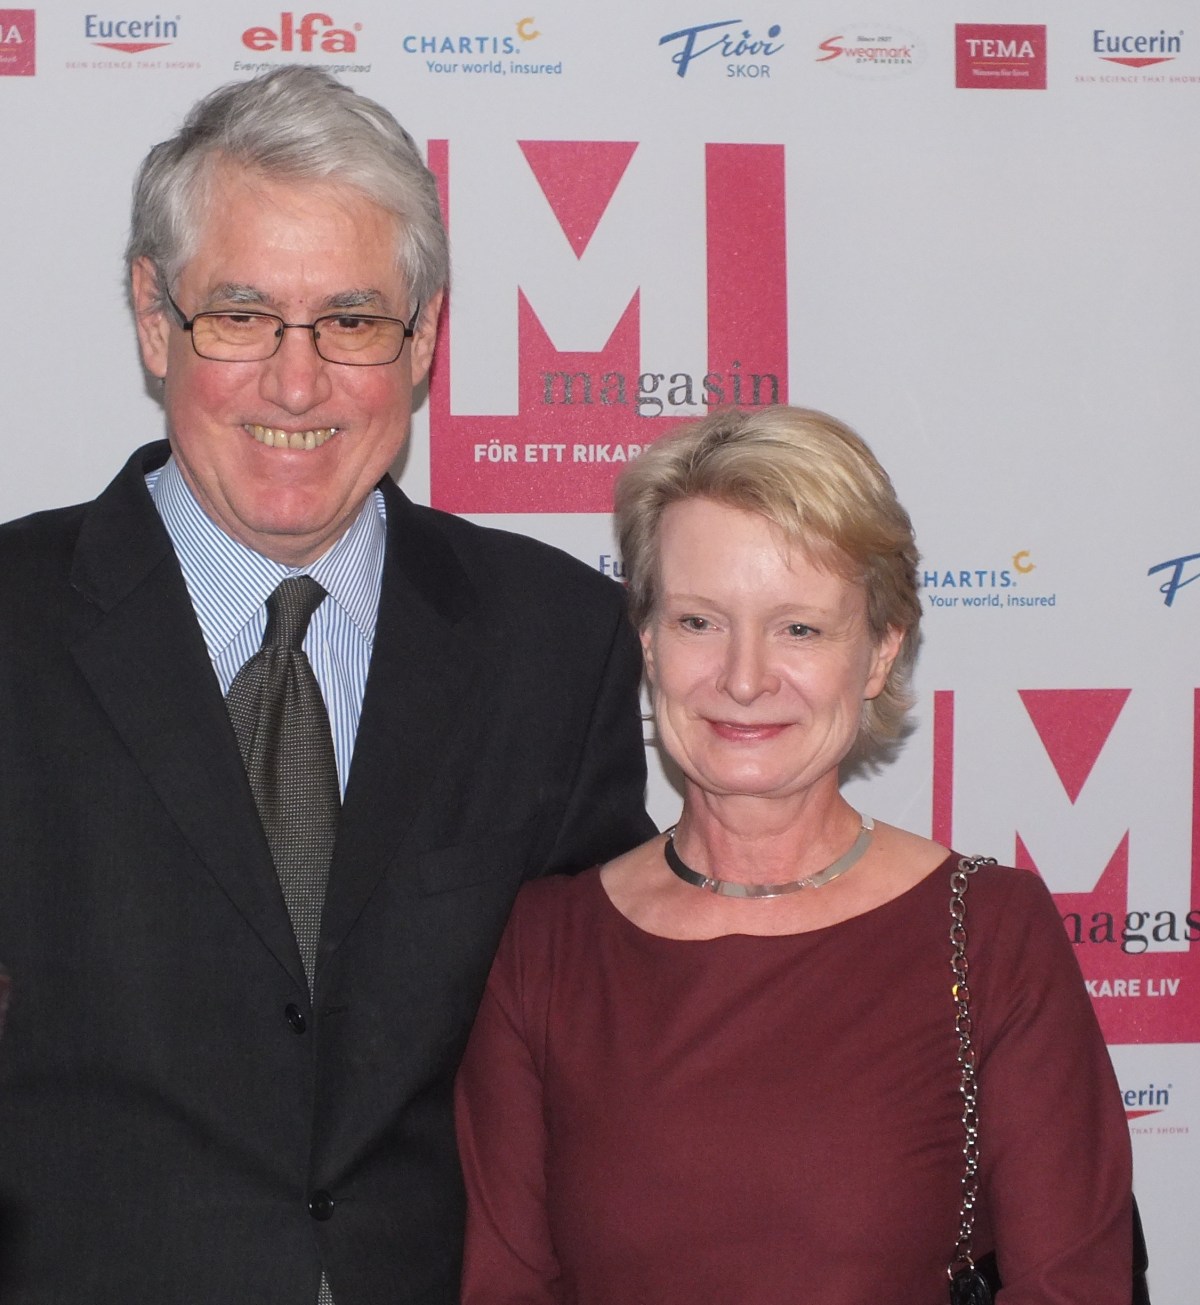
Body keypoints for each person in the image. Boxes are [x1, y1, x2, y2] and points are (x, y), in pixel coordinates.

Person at [0, 67, 654, 1304]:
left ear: (425, 338)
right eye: (241, 315)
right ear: (153, 318)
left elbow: (605, 1069)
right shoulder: (14, 627)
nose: (296, 385)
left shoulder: (556, 642)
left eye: (351, 322)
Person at [455, 405, 1134, 1302]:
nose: (744, 678)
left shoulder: (989, 935)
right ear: (648, 639)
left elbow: (1072, 1286)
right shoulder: (546, 946)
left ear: (880, 652)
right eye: (700, 621)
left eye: (799, 629)